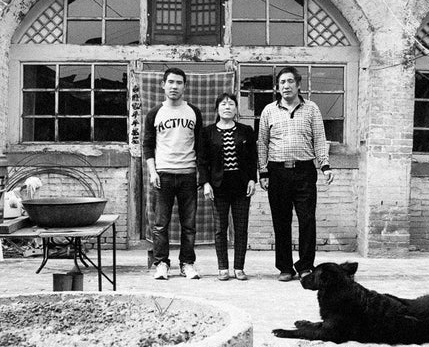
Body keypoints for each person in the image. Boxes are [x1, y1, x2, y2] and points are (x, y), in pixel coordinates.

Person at [257, 66, 334, 282]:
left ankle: (305, 266)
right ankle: (285, 267)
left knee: (307, 219)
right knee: (281, 220)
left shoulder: (311, 109)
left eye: (290, 81)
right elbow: (262, 143)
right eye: (282, 82)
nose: (286, 86)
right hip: (277, 172)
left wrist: (325, 165)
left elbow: (319, 138)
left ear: (298, 85)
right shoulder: (268, 111)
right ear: (277, 86)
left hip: (304, 171)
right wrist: (263, 171)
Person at [143, 67, 204, 280]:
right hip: (163, 174)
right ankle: (161, 263)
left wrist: (200, 174)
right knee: (160, 224)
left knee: (189, 225)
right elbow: (148, 145)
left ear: (185, 86)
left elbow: (200, 146)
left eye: (179, 83)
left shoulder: (193, 112)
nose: (174, 86)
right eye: (170, 82)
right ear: (163, 85)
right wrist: (153, 172)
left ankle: (187, 263)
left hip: (188, 174)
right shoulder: (154, 113)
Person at [199, 93, 257, 281]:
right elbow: (202, 161)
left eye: (231, 104)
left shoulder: (246, 130)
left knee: (241, 229)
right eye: (223, 104)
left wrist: (252, 180)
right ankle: (222, 267)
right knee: (220, 229)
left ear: (236, 109)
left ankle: (239, 267)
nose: (227, 107)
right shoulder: (208, 132)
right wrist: (205, 183)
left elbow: (251, 158)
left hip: (241, 187)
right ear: (217, 108)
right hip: (218, 188)